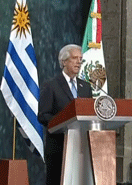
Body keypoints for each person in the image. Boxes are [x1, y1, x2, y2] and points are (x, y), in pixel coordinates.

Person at [38, 44, 92, 185]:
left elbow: (89, 114)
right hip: (58, 148)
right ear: (64, 62)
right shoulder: (51, 86)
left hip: (81, 148)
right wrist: (64, 122)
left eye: (80, 58)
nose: (79, 62)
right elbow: (43, 115)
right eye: (74, 58)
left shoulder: (86, 87)